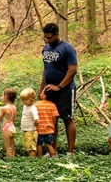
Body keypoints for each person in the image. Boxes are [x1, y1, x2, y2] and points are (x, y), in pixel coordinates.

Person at [39, 23, 78, 155]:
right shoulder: (45, 49)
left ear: (56, 34)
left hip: (65, 90)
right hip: (49, 90)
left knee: (68, 119)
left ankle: (70, 152)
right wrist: (42, 89)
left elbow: (72, 70)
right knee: (51, 121)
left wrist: (59, 86)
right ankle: (52, 152)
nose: (47, 40)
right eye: (45, 38)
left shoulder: (67, 49)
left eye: (49, 37)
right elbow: (46, 70)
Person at [35, 91, 59, 157]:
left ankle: (39, 158)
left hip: (39, 129)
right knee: (49, 144)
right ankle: (53, 157)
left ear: (44, 96)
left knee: (39, 144)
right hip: (49, 129)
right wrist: (53, 126)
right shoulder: (53, 105)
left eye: (42, 92)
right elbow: (54, 117)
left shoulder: (36, 104)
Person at [0, 88, 17, 158]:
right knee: (12, 145)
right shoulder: (14, 107)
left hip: (6, 128)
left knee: (7, 147)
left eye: (2, 95)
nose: (1, 97)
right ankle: (13, 158)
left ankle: (9, 159)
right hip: (12, 127)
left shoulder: (3, 108)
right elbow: (14, 119)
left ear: (6, 97)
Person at [20, 88, 39, 157]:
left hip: (30, 131)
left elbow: (37, 120)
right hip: (26, 130)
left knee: (31, 146)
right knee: (27, 145)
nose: (24, 101)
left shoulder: (32, 109)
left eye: (26, 99)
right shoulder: (25, 106)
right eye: (22, 99)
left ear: (32, 99)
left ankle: (32, 159)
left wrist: (34, 125)